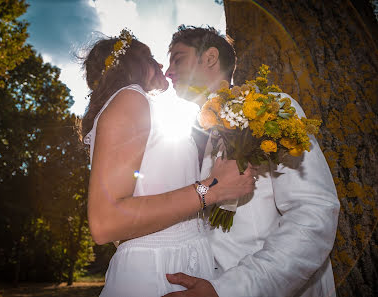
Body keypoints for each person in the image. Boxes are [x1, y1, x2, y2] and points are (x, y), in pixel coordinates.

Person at [163, 26, 340, 297]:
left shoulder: (271, 109)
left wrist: (232, 289)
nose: (168, 71)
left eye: (178, 58)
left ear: (210, 58)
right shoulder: (192, 138)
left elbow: (313, 214)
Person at [80, 29, 256, 297]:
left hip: (182, 261)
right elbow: (106, 222)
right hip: (155, 270)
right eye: (151, 57)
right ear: (133, 64)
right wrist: (213, 189)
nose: (162, 65)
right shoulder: (130, 98)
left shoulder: (137, 106)